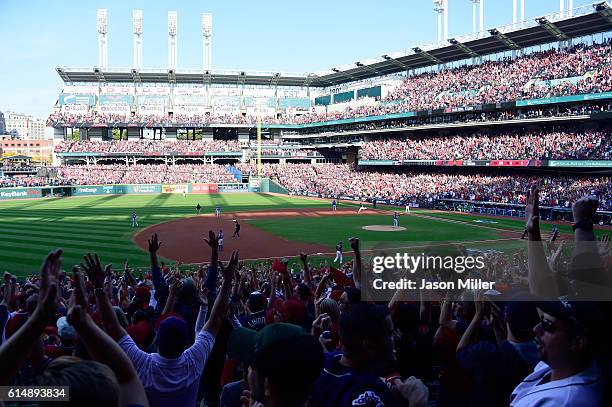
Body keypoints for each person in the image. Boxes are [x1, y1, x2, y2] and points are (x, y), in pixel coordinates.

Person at [92, 233, 238, 407]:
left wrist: (99, 288)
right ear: (185, 342)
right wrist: (227, 277)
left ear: (157, 338)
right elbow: (215, 314)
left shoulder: (145, 363)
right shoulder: (194, 360)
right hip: (206, 384)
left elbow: (111, 326)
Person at [314, 303, 429, 406]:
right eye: (389, 334)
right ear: (368, 346)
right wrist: (416, 403)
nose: (395, 337)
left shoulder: (328, 361)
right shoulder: (366, 396)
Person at [510, 298, 604, 406]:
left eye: (547, 324)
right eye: (541, 320)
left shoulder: (563, 402)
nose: (536, 329)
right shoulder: (558, 361)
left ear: (577, 343)